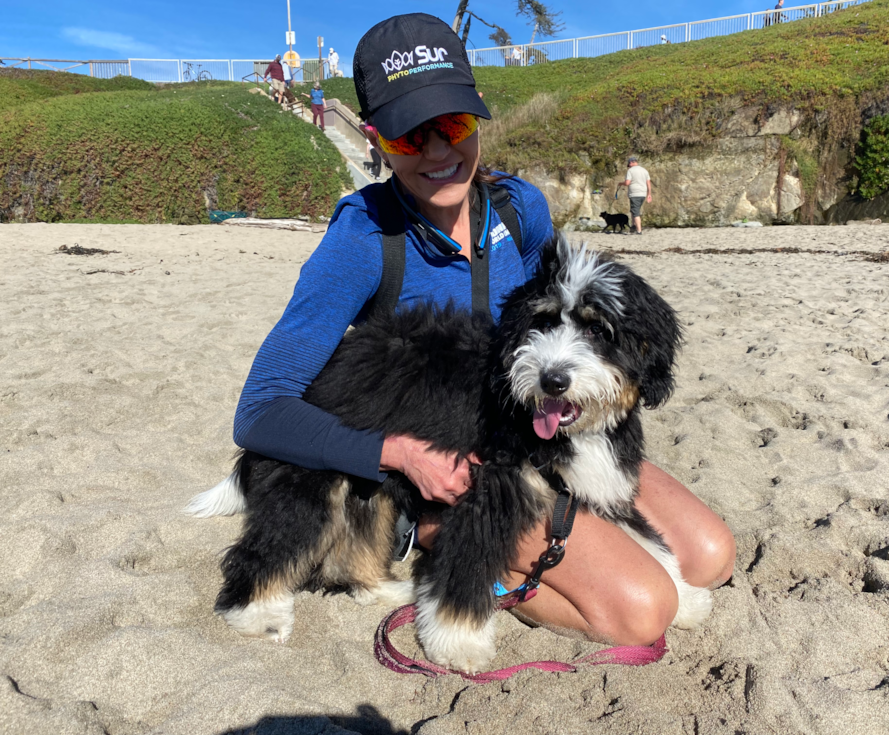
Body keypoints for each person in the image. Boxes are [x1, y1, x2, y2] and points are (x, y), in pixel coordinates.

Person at [233, 12, 734, 648]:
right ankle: (443, 542)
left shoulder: (520, 208)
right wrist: (402, 455)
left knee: (711, 554)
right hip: (452, 461)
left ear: (475, 117)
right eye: (412, 138)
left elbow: (567, 319)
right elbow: (259, 412)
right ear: (376, 140)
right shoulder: (360, 241)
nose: (440, 151)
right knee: (642, 611)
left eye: (454, 125)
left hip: (547, 431)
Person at [617, 155, 652, 235]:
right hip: (643, 193)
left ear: (631, 163)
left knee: (636, 212)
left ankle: (639, 231)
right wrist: (649, 194)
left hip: (635, 193)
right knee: (634, 210)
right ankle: (633, 226)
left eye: (629, 165)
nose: (628, 167)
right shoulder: (644, 170)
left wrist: (620, 183)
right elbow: (648, 183)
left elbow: (627, 183)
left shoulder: (631, 171)